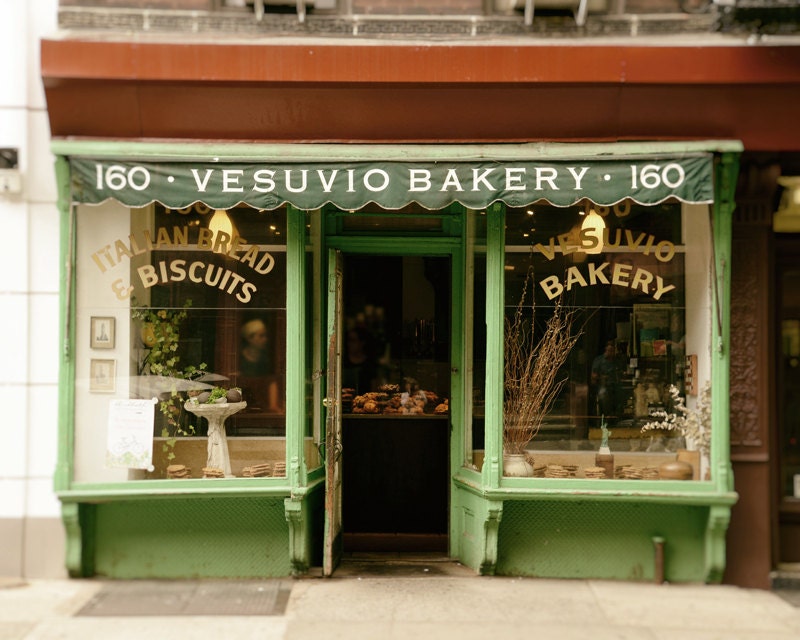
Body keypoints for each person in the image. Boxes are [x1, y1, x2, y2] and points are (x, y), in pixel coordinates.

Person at [591, 340, 622, 422]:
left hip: (615, 385)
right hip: (602, 385)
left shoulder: (616, 361)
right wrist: (602, 377)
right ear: (606, 350)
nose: (611, 353)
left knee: (622, 394)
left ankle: (618, 417)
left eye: (612, 351)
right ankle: (607, 416)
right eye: (609, 350)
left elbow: (620, 372)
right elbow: (593, 376)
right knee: (603, 394)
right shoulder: (599, 360)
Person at [342, 327, 378, 394]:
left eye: (353, 340)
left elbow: (374, 387)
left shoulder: (369, 363)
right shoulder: (342, 361)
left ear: (362, 343)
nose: (349, 344)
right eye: (348, 340)